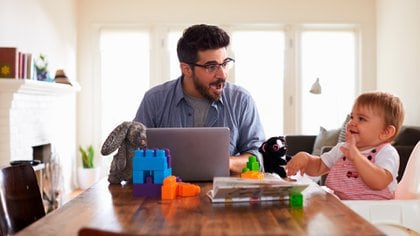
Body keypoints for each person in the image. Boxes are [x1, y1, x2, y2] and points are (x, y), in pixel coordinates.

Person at [134, 24, 265, 174]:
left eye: (224, 64)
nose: (222, 74)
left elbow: (258, 157)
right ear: (186, 69)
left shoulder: (241, 100)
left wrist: (224, 161)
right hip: (166, 193)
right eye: (211, 66)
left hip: (223, 194)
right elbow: (135, 154)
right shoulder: (154, 100)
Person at [286, 91, 405, 200]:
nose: (352, 122)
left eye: (362, 119)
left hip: (373, 212)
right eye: (352, 117)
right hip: (342, 208)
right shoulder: (342, 148)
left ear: (385, 132)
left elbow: (379, 182)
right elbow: (319, 167)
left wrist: (356, 156)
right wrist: (306, 159)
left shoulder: (386, 152)